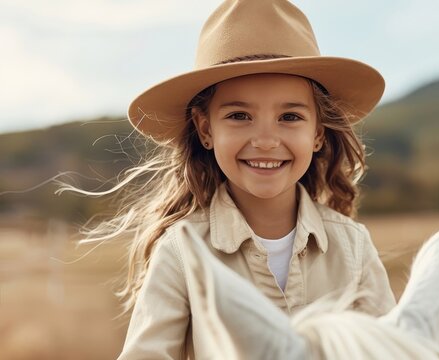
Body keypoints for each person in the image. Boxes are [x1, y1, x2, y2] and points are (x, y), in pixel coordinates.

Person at [69, 0, 398, 358]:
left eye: (289, 117)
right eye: (240, 115)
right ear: (205, 129)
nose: (266, 140)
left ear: (318, 133)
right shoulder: (180, 251)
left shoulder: (352, 247)